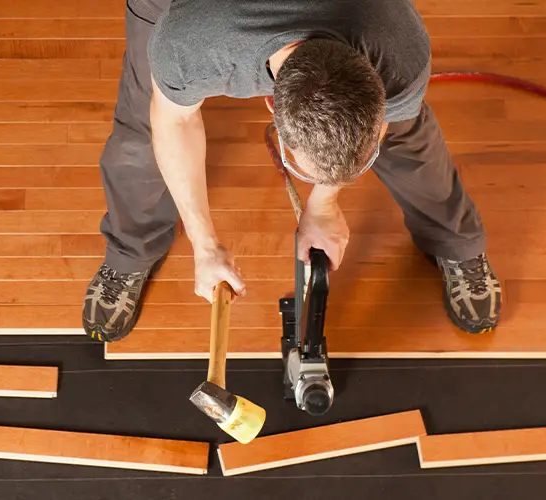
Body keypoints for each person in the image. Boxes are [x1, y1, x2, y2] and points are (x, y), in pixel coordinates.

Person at [82, 0, 501, 343]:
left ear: (371, 76)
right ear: (270, 107)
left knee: (408, 133)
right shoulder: (189, 42)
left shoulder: (395, 41)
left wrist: (325, 203)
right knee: (142, 135)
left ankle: (456, 242)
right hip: (192, 11)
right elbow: (174, 121)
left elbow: (372, 128)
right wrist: (204, 244)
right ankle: (130, 251)